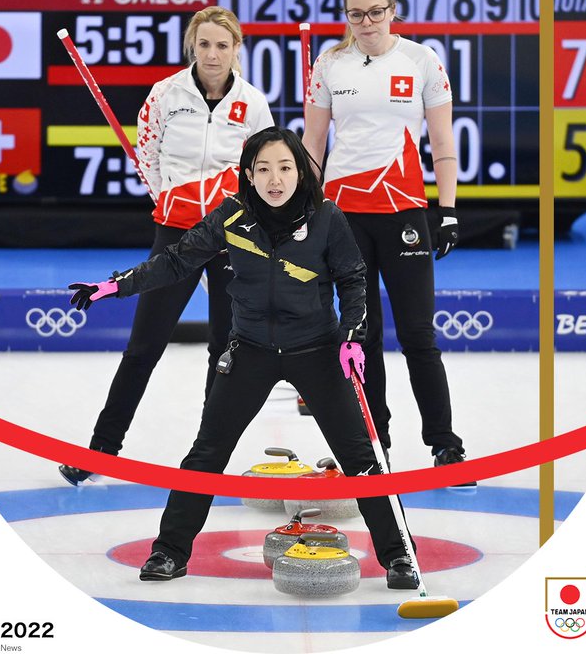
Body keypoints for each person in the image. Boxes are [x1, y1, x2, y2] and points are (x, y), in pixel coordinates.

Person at [68, 126, 419, 589]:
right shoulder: (231, 215)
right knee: (206, 452)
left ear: (301, 171)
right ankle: (169, 552)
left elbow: (353, 280)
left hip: (316, 349)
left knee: (360, 456)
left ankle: (399, 556)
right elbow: (176, 260)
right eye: (264, 169)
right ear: (248, 175)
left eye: (285, 167)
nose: (276, 179)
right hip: (250, 349)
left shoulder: (327, 216)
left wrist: (352, 337)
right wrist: (115, 285)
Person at [59, 7, 274, 485]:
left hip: (231, 238)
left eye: (222, 45)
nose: (213, 54)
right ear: (192, 45)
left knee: (225, 350)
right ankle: (101, 450)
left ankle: (207, 458)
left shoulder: (253, 103)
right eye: (204, 44)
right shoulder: (165, 94)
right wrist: (173, 201)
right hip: (176, 233)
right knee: (144, 346)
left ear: (236, 49)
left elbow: (261, 168)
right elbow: (148, 156)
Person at [301, 0, 474, 485]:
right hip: (343, 216)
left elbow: (442, 142)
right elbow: (313, 144)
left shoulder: (422, 60)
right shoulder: (329, 63)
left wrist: (447, 210)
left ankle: (446, 446)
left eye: (376, 12)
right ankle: (375, 446)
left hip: (404, 212)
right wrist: (303, 209)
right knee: (361, 334)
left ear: (392, 10)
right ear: (346, 17)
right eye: (356, 14)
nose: (367, 22)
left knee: (419, 335)